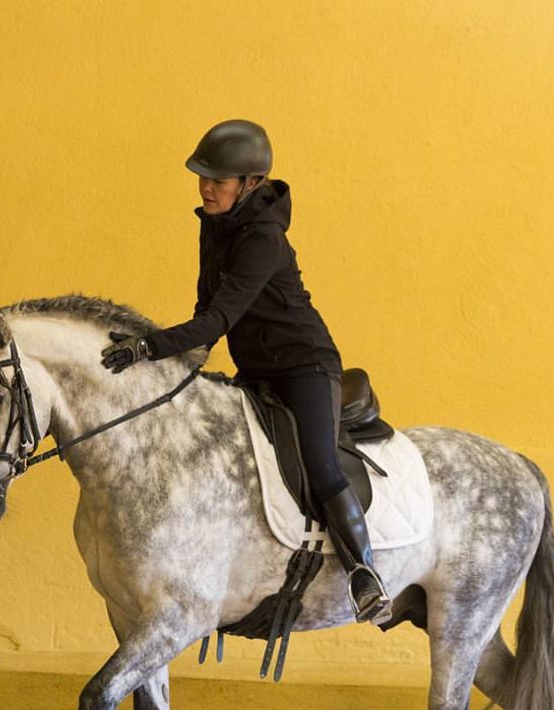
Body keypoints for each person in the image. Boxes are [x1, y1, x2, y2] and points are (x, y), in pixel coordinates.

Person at [101, 119, 391, 624]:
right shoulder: (214, 224)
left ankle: (365, 575)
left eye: (219, 180)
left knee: (320, 465)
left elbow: (220, 317)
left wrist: (149, 345)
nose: (207, 188)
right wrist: (176, 372)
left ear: (251, 183)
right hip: (256, 371)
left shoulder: (263, 239)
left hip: (305, 367)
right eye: (203, 177)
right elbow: (204, 311)